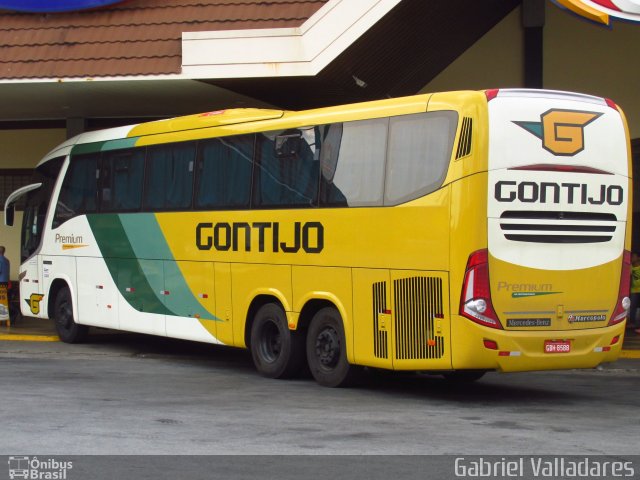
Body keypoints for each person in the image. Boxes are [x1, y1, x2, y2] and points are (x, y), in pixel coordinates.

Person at [630, 252, 640, 334]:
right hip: (634, 290)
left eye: (633, 256)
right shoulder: (630, 267)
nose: (631, 258)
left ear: (638, 258)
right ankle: (632, 323)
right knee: (632, 307)